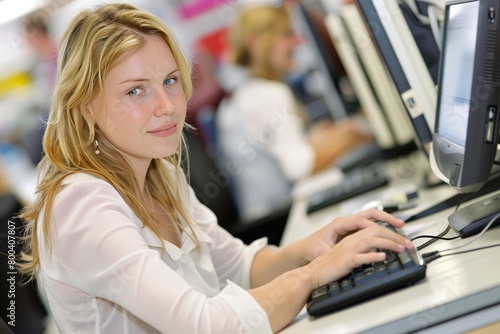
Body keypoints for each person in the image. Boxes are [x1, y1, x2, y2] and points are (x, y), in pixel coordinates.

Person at [18, 3, 413, 333]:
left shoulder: (160, 173)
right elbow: (207, 327)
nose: (167, 106)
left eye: (170, 80)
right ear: (85, 105)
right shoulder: (82, 207)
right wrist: (314, 273)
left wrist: (312, 248)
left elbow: (236, 268)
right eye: (135, 90)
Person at [215, 5, 372, 222]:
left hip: (263, 217)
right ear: (256, 43)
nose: (296, 42)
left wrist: (339, 133)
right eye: (286, 35)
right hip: (280, 219)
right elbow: (300, 167)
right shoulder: (268, 95)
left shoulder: (245, 94)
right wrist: (362, 134)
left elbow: (289, 150)